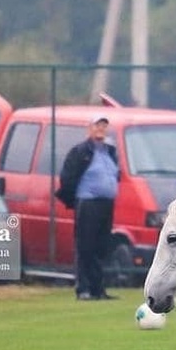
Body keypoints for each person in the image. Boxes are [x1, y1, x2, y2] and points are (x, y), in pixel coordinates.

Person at [55, 117, 120, 301]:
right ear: (89, 128)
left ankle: (98, 289)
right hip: (88, 203)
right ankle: (83, 289)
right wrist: (74, 200)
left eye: (103, 126)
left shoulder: (110, 151)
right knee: (85, 246)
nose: (100, 129)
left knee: (101, 247)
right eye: (97, 125)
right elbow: (67, 177)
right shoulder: (80, 151)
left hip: (106, 204)